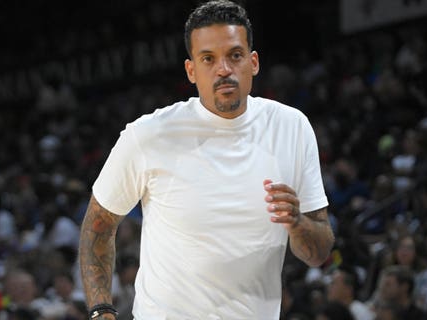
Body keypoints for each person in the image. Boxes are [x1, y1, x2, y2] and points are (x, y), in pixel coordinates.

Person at [77, 1, 335, 319]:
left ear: (253, 62)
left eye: (235, 55)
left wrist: (298, 223)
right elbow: (98, 228)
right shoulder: (148, 135)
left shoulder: (291, 127)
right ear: (191, 70)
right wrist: (101, 310)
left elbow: (319, 251)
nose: (223, 69)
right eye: (208, 59)